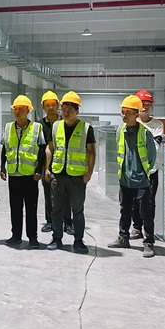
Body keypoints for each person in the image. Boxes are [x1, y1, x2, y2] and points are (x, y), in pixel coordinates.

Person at [44, 91, 96, 253]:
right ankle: (56, 239)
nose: (66, 112)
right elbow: (50, 148)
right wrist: (47, 168)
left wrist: (89, 173)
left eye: (70, 110)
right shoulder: (56, 126)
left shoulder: (86, 128)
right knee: (56, 210)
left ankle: (78, 241)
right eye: (64, 109)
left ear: (77, 111)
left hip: (77, 177)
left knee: (77, 211)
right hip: (58, 175)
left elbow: (91, 152)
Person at [108, 95, 158, 258]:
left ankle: (148, 242)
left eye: (128, 112)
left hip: (142, 180)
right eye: (122, 112)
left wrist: (143, 172)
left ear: (136, 114)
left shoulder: (145, 133)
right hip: (125, 179)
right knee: (125, 210)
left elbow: (152, 156)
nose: (124, 115)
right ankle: (123, 237)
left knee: (146, 213)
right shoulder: (120, 131)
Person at [0, 95, 45, 249]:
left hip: (30, 175)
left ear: (28, 110)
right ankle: (16, 236)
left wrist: (39, 169)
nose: (17, 112)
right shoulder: (8, 127)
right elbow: (5, 148)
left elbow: (41, 150)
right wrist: (2, 167)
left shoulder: (37, 128)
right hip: (14, 174)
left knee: (31, 208)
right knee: (15, 208)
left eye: (21, 109)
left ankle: (33, 238)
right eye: (16, 109)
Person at [131, 89, 164, 241]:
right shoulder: (132, 122)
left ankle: (148, 232)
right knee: (133, 201)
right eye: (142, 104)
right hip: (133, 169)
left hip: (150, 170)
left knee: (148, 203)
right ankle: (136, 228)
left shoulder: (157, 125)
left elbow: (154, 147)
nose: (145, 106)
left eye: (148, 104)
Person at [39, 91, 73, 236]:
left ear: (57, 105)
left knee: (66, 195)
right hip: (46, 165)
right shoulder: (39, 125)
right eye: (47, 105)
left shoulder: (66, 122)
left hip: (64, 165)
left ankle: (68, 222)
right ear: (43, 107)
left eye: (53, 105)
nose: (51, 108)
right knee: (48, 195)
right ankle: (50, 221)